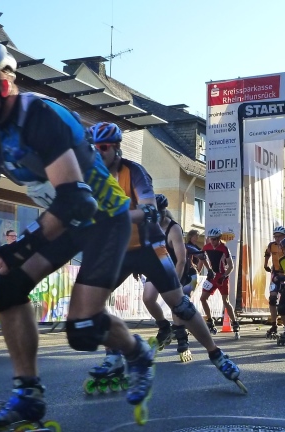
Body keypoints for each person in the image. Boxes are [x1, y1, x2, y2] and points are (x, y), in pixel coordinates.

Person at [0, 41, 154, 428]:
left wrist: (18, 249)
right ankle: (28, 394)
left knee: (82, 330)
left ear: (3, 84)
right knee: (4, 287)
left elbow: (76, 202)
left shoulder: (40, 117)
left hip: (103, 221)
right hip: (68, 220)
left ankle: (137, 352)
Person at [86, 124, 243, 387]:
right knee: (92, 302)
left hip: (149, 246)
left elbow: (148, 210)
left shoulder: (134, 172)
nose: (98, 153)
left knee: (180, 305)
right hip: (120, 250)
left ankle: (217, 354)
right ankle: (113, 355)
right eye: (94, 148)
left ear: (116, 148)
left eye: (103, 147)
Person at [141, 194, 193, 362]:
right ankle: (164, 327)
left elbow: (182, 260)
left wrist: (174, 285)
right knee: (148, 298)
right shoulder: (148, 226)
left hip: (175, 268)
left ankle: (183, 341)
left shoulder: (174, 229)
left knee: (175, 303)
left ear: (163, 212)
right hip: (157, 267)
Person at [200, 228, 240, 337]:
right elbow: (202, 259)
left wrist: (224, 276)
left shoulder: (224, 248)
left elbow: (231, 266)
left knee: (225, 301)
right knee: (203, 298)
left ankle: (234, 322)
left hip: (221, 277)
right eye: (211, 239)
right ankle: (210, 320)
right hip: (212, 277)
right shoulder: (206, 247)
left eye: (215, 239)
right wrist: (206, 270)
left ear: (219, 239)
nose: (212, 241)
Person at [263, 226, 285, 337]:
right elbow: (267, 253)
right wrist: (265, 264)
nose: (277, 238)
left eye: (280, 236)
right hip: (275, 273)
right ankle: (274, 325)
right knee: (272, 299)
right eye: (275, 236)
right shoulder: (271, 245)